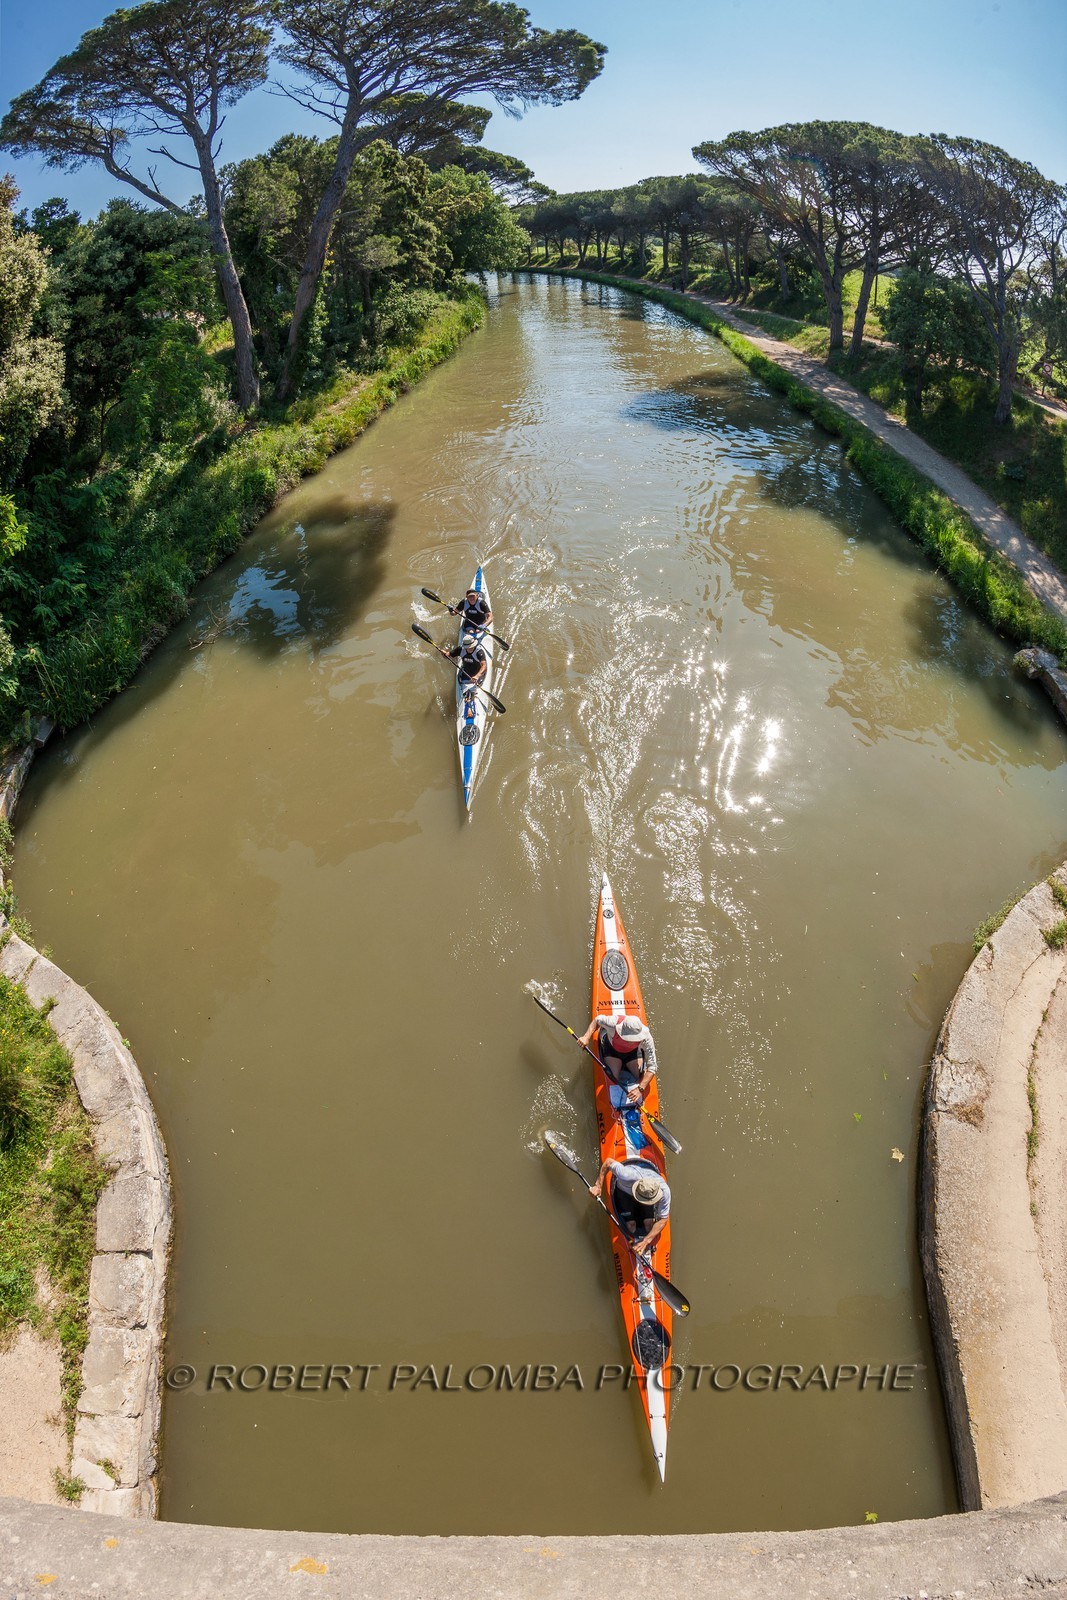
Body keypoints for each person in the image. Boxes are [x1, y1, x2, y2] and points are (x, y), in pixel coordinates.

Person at [590, 1158, 670, 1256]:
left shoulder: (665, 1191)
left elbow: (663, 1219)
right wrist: (598, 1185)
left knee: (649, 1225)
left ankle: (643, 1245)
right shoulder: (626, 1175)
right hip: (624, 1193)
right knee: (631, 1226)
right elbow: (608, 1163)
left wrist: (646, 1241)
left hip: (645, 1193)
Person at [579, 1012, 657, 1104]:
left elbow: (652, 1067)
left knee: (638, 1076)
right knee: (614, 1078)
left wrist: (640, 1089)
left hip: (633, 1054)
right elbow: (597, 1020)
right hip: (612, 1050)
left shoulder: (646, 1038)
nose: (632, 1041)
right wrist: (586, 1037)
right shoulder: (612, 1023)